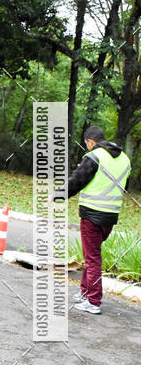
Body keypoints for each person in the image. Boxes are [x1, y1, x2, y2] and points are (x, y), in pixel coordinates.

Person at [61, 125, 131, 315]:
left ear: (90, 142)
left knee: (92, 258)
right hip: (110, 216)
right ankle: (85, 292)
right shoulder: (124, 159)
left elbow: (76, 181)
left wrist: (57, 196)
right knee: (91, 254)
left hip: (92, 215)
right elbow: (125, 186)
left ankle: (93, 301)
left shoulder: (95, 156)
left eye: (87, 145)